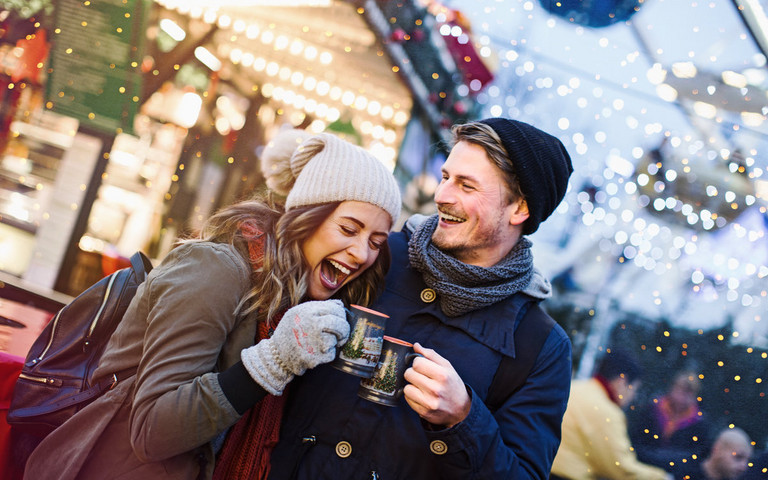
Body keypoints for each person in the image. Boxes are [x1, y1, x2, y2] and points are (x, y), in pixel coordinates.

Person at [22, 132, 402, 480]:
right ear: (305, 217)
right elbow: (153, 431)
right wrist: (273, 363)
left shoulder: (291, 307)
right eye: (349, 229)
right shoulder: (216, 269)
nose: (361, 253)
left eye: (375, 241)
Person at [264, 117, 575, 479]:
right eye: (446, 177)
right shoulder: (376, 256)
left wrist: (463, 419)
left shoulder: (541, 346)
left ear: (519, 208)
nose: (442, 195)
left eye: (466, 186)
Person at [550, 349, 672, 480]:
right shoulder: (607, 412)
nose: (633, 396)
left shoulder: (573, 387)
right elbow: (621, 469)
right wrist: (662, 477)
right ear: (622, 381)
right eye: (634, 389)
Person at [628, 369, 713, 469]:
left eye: (688, 392)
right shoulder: (652, 410)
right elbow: (635, 441)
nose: (683, 396)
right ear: (672, 387)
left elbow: (697, 455)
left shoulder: (699, 424)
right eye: (680, 389)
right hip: (644, 466)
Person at [673, 427, 753, 480]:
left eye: (747, 460)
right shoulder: (681, 474)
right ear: (717, 449)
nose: (744, 466)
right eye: (738, 457)